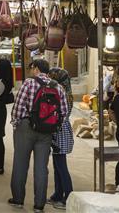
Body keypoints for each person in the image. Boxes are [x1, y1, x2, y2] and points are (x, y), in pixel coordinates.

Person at [9, 59, 68, 213]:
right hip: (47, 131)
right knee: (42, 167)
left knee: (20, 164)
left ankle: (18, 200)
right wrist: (53, 127)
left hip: (26, 127)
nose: (30, 71)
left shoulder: (29, 83)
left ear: (36, 68)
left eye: (31, 68)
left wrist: (17, 125)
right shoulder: (58, 87)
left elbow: (18, 107)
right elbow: (64, 112)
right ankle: (39, 205)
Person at [47, 67, 74, 210]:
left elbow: (61, 114)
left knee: (61, 167)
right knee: (57, 165)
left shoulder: (61, 92)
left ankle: (68, 196)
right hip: (61, 130)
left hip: (60, 130)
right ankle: (58, 194)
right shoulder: (66, 91)